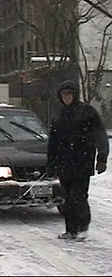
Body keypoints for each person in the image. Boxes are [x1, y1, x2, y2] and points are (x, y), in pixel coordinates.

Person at [47, 80, 108, 241]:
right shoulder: (58, 115)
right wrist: (51, 163)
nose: (67, 97)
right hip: (64, 163)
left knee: (79, 196)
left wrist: (102, 158)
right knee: (67, 198)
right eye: (64, 94)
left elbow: (100, 136)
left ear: (75, 95)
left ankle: (82, 227)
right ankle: (71, 229)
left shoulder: (87, 112)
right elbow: (52, 142)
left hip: (82, 162)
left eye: (69, 94)